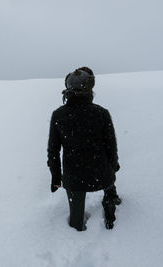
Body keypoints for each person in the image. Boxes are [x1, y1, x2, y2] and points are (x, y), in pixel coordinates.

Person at [47, 67, 121, 231]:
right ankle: (111, 203)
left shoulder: (59, 115)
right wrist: (113, 166)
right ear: (90, 89)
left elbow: (53, 151)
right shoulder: (101, 113)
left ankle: (77, 224)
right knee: (109, 182)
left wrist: (56, 177)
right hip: (102, 174)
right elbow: (111, 146)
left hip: (74, 179)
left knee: (76, 218)